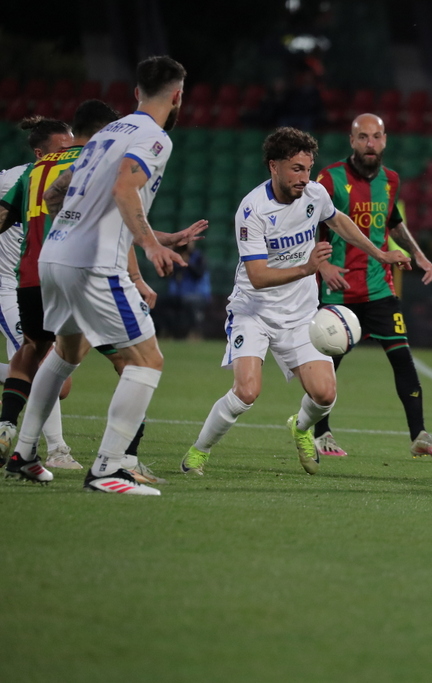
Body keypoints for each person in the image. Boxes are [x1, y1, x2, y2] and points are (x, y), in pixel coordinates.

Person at [0, 56, 190, 495]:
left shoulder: (108, 132)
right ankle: (108, 469)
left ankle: (25, 453)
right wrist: (149, 243)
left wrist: (72, 222)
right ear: (177, 96)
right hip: (94, 263)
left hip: (55, 255)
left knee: (64, 353)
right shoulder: (154, 138)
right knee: (148, 361)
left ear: (136, 92)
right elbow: (125, 188)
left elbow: (54, 192)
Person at [180, 127, 410, 476]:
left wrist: (379, 252)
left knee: (324, 394)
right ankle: (199, 452)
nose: (305, 177)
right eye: (296, 169)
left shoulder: (315, 194)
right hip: (254, 311)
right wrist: (307, 268)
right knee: (246, 392)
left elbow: (340, 221)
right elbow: (257, 277)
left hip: (300, 314)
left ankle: (300, 427)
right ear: (274, 166)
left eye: (307, 168)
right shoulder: (252, 210)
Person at [312, 113, 432, 459]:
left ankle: (419, 434)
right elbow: (310, 223)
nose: (370, 144)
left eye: (376, 137)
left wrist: (419, 255)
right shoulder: (330, 178)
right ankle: (320, 433)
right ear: (352, 140)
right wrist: (323, 264)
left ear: (385, 140)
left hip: (379, 289)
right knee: (328, 368)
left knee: (403, 359)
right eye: (363, 137)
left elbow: (393, 222)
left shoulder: (390, 181)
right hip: (339, 289)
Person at [0, 117, 74, 468]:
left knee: (55, 377)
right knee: (50, 375)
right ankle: (56, 451)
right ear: (40, 151)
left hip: (45, 281)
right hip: (10, 286)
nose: (70, 150)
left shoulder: (62, 173)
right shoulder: (14, 177)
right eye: (64, 145)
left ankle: (22, 447)